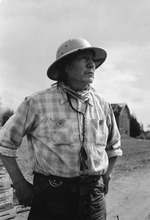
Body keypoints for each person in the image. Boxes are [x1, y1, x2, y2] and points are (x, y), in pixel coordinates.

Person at [0, 38, 122, 220]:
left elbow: (113, 147)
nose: (92, 64)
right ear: (65, 66)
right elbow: (5, 143)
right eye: (84, 58)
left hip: (93, 199)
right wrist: (19, 184)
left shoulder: (103, 104)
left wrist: (107, 176)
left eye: (93, 60)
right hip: (52, 198)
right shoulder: (37, 102)